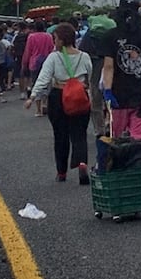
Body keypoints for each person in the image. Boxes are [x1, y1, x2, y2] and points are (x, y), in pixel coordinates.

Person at [25, 23, 93, 183]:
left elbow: (44, 78)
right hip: (80, 97)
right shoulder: (84, 56)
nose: (54, 42)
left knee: (60, 135)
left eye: (55, 38)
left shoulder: (54, 57)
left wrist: (33, 96)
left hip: (59, 96)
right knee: (79, 134)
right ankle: (82, 162)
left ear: (61, 40)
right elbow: (90, 76)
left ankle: (61, 172)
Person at [101, 0, 141, 140]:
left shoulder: (110, 36)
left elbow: (108, 67)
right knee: (140, 138)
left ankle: (120, 161)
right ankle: (140, 161)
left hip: (117, 95)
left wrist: (107, 91)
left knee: (117, 139)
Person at [23, 20, 55, 116]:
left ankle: (38, 109)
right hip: (47, 62)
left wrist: (25, 63)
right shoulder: (48, 36)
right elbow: (52, 49)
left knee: (36, 84)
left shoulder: (31, 37)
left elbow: (28, 51)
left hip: (34, 62)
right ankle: (45, 103)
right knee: (46, 83)